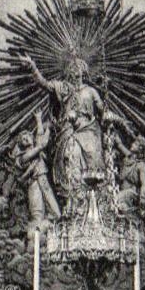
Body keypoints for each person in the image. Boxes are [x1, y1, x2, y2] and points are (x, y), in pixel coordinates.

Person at [23, 53, 106, 211]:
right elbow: (44, 84)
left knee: (92, 161)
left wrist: (106, 112)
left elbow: (102, 110)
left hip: (89, 131)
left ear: (84, 73)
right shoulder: (62, 87)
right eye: (72, 70)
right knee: (69, 157)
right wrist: (33, 67)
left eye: (78, 71)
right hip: (68, 130)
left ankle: (93, 201)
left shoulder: (91, 91)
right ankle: (71, 200)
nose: (75, 74)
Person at [10, 111, 61, 223]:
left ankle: (49, 232)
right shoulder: (24, 157)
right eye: (23, 139)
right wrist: (47, 127)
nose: (26, 139)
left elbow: (39, 137)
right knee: (37, 215)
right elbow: (41, 145)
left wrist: (41, 121)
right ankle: (38, 236)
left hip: (44, 181)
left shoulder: (37, 149)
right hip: (34, 184)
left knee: (56, 213)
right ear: (21, 144)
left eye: (27, 136)